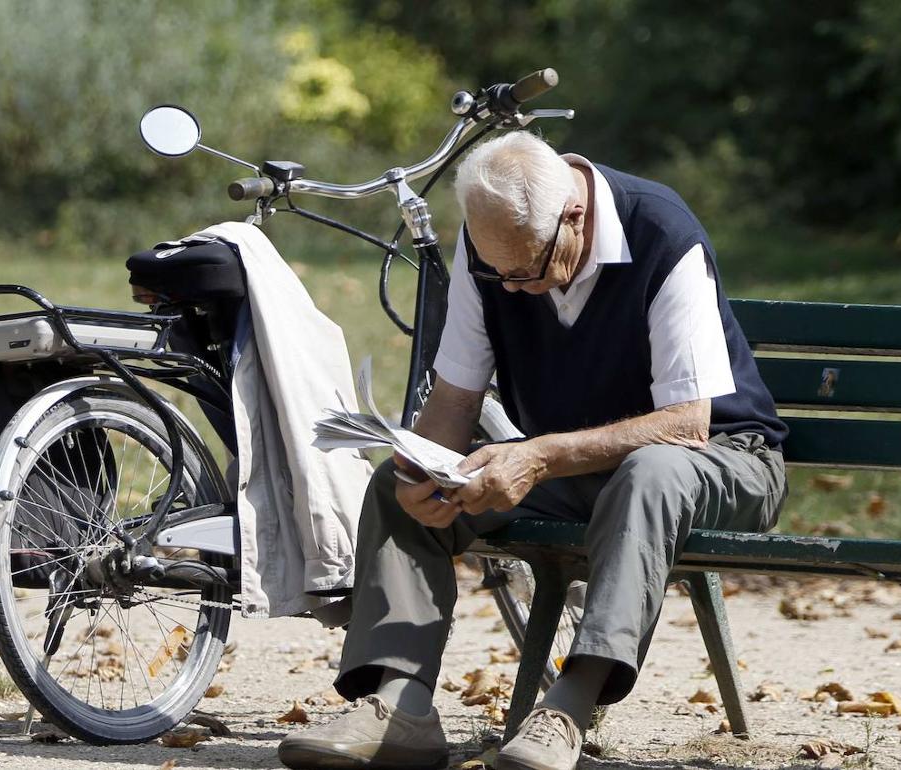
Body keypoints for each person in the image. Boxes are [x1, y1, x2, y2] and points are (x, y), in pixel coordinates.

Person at [277, 131, 789, 770]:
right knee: (393, 486)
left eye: (528, 270)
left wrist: (539, 456)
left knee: (651, 469)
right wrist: (423, 470)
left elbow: (687, 424)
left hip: (723, 461)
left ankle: (568, 709)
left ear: (574, 215)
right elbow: (457, 400)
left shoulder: (660, 230)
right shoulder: (490, 246)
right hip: (586, 468)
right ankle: (400, 705)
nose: (515, 289)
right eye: (500, 274)